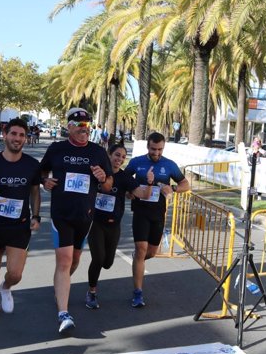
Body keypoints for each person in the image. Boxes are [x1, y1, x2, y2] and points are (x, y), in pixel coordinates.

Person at [39, 107, 113, 333]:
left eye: (88, 125)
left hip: (85, 216)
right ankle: (63, 313)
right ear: (69, 126)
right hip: (61, 214)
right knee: (64, 261)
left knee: (74, 262)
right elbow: (41, 173)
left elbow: (108, 185)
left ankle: (61, 285)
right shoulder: (57, 149)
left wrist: (103, 179)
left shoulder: (98, 152)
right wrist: (45, 181)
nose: (85, 129)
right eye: (80, 125)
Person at [0, 118, 42, 320]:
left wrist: (36, 215)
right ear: (5, 135)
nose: (17, 138)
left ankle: (6, 287)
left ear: (26, 138)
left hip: (19, 226)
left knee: (15, 274)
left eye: (21, 135)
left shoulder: (31, 165)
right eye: (13, 134)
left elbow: (35, 192)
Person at [124, 132, 190, 307]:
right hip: (140, 211)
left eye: (160, 149)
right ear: (148, 146)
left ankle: (138, 260)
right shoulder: (137, 162)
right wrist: (129, 192)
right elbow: (123, 180)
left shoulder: (169, 165)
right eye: (153, 149)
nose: (157, 153)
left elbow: (186, 184)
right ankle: (137, 293)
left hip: (158, 213)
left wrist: (173, 188)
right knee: (141, 249)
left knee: (151, 252)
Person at [85, 144, 153, 309]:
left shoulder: (124, 178)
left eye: (123, 157)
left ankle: (94, 284)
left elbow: (144, 195)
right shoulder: (97, 173)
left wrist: (150, 182)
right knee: (98, 258)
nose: (119, 159)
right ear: (108, 154)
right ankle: (91, 292)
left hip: (113, 226)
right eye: (117, 155)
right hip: (95, 223)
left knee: (107, 263)